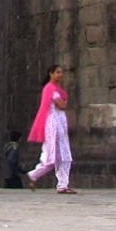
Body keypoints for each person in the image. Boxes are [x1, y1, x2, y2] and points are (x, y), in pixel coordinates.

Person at [25, 63, 76, 194]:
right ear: (51, 74)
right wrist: (64, 102)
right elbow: (61, 105)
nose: (60, 75)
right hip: (53, 125)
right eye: (58, 72)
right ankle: (35, 174)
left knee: (64, 155)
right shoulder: (50, 89)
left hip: (59, 124)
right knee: (51, 156)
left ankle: (62, 184)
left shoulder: (55, 89)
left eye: (61, 72)